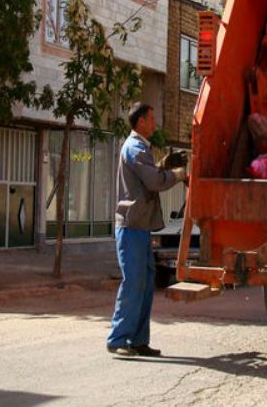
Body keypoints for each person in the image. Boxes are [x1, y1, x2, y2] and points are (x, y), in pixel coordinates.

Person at [107, 102, 186, 357]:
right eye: (151, 119)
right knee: (133, 284)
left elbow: (147, 176)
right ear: (140, 121)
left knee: (144, 284)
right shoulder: (135, 147)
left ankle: (138, 340)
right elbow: (153, 181)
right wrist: (177, 174)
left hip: (140, 227)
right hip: (132, 227)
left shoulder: (140, 148)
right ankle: (118, 339)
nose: (154, 123)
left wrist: (162, 165)